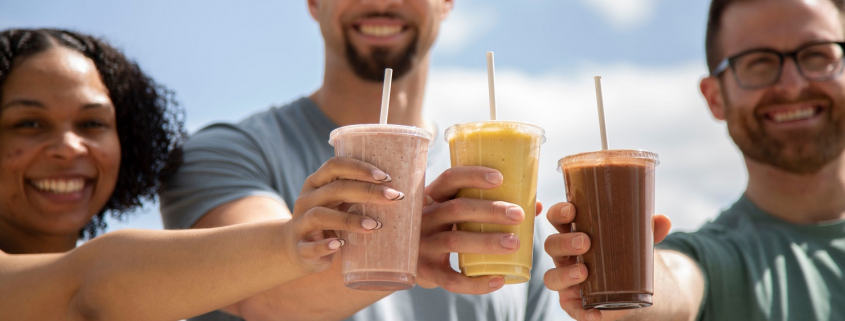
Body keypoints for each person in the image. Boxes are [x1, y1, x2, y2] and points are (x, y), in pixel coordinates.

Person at [160, 0, 558, 320]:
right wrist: (402, 249)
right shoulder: (223, 154)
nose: (382, 2)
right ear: (314, 3)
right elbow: (255, 296)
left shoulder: (504, 199)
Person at [0, 28, 381, 321]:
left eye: (92, 122)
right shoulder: (101, 283)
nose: (69, 146)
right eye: (29, 123)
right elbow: (88, 283)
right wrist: (290, 240)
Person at [544, 0, 845, 320]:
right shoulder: (713, 260)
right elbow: (677, 280)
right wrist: (625, 284)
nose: (793, 86)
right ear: (715, 98)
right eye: (759, 62)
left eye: (817, 55)